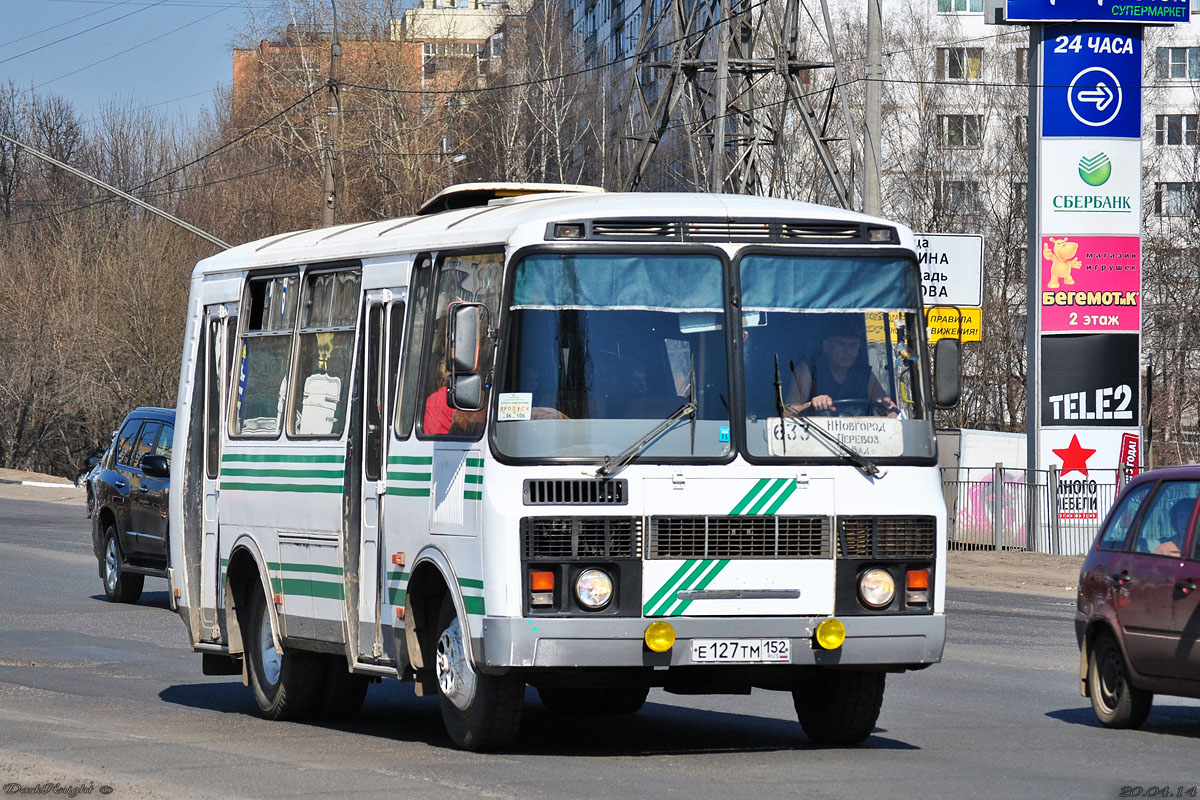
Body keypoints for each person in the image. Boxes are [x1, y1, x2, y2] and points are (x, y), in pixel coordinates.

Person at [785, 314, 898, 417]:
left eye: (852, 345)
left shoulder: (864, 374)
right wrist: (811, 404)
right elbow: (788, 412)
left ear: (858, 349)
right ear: (827, 346)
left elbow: (888, 406)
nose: (847, 351)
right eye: (841, 344)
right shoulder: (810, 370)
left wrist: (893, 415)